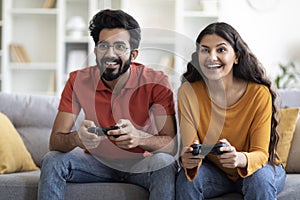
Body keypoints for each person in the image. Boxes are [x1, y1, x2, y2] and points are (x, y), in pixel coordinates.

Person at [38, 9, 178, 200]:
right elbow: (55, 142)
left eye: (120, 46)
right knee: (52, 160)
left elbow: (171, 145)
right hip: (95, 163)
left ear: (134, 54)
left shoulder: (156, 81)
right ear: (95, 51)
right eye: (104, 46)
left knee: (165, 162)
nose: (110, 54)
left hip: (140, 165)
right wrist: (77, 139)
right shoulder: (78, 80)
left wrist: (139, 139)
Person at [175, 22, 286, 200]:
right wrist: (188, 159)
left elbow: (261, 153)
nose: (212, 57)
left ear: (236, 56)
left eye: (221, 50)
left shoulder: (258, 93)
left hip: (258, 168)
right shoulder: (188, 93)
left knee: (259, 179)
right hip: (217, 173)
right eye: (205, 50)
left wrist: (240, 159)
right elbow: (191, 146)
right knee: (187, 180)